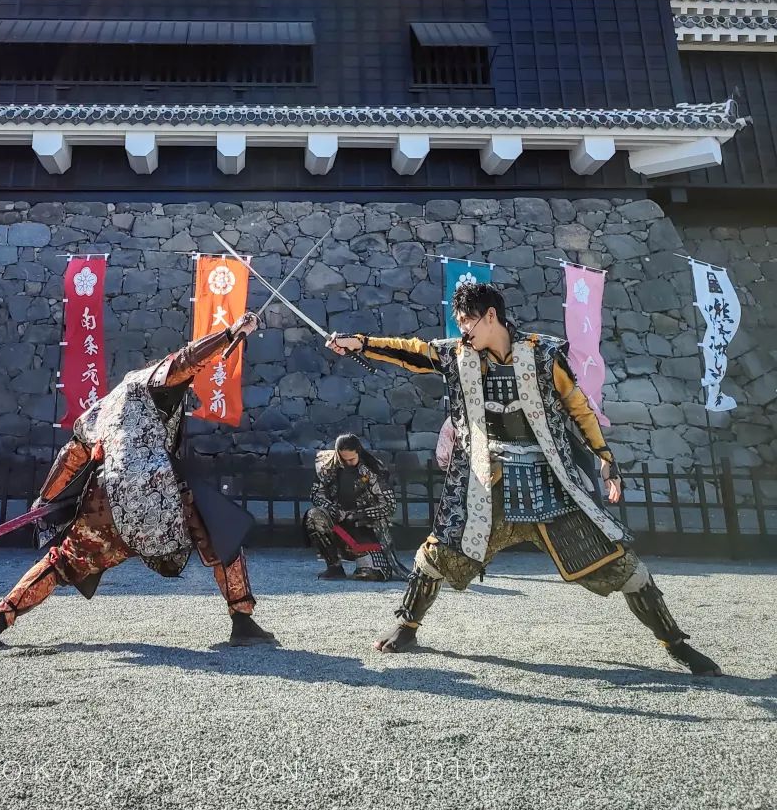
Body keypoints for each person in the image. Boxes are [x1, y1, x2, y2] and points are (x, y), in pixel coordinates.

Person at [327, 279, 721, 675]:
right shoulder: (460, 355)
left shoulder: (543, 355)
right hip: (489, 484)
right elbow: (414, 351)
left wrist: (605, 458)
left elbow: (578, 407)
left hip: (549, 482)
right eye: (460, 322)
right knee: (436, 554)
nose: (463, 330)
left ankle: (675, 643)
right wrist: (360, 343)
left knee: (624, 564)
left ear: (491, 316)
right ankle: (407, 626)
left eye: (467, 321)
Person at [0, 311, 277, 649]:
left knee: (62, 561)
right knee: (222, 534)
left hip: (104, 501)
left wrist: (45, 499)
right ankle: (242, 620)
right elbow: (188, 359)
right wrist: (229, 334)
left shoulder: (100, 410)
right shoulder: (152, 381)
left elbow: (71, 455)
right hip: (158, 492)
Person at [304, 433, 404, 581]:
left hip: (365, 526)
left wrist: (360, 514)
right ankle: (334, 566)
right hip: (337, 521)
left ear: (358, 452)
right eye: (343, 459)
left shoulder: (373, 469)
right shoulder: (327, 466)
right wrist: (332, 508)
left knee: (372, 574)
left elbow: (389, 504)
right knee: (314, 516)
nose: (348, 463)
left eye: (351, 459)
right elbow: (316, 494)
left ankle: (369, 561)